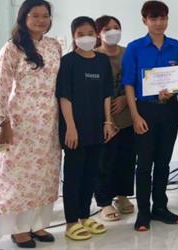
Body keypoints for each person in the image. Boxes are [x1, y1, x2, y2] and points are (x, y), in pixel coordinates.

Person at [0, 0, 62, 248]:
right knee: (19, 175)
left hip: (49, 119)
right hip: (21, 120)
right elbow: (1, 88)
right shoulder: (12, 48)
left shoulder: (54, 45)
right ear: (24, 17)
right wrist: (4, 123)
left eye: (45, 15)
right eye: (35, 15)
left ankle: (38, 224)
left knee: (45, 173)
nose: (41, 20)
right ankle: (18, 229)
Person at [122, 0, 178, 231]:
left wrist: (172, 92)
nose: (159, 23)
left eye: (163, 18)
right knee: (144, 163)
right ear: (145, 21)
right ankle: (143, 212)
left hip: (169, 109)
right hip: (144, 110)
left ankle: (160, 207)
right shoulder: (135, 48)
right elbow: (128, 84)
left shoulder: (176, 47)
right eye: (153, 18)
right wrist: (135, 116)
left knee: (163, 162)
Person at [57, 16, 117, 241]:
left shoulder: (102, 61)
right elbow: (64, 97)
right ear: (74, 36)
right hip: (75, 128)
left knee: (91, 174)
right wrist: (70, 128)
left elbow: (106, 94)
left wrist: (108, 122)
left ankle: (84, 216)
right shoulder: (68, 62)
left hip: (97, 126)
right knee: (74, 176)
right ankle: (71, 222)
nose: (86, 38)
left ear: (97, 34)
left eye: (90, 33)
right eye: (80, 34)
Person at [94, 15, 136, 222]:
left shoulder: (128, 53)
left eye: (116, 27)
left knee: (126, 159)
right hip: (103, 120)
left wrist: (126, 99)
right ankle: (104, 202)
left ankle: (122, 195)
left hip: (127, 116)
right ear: (98, 33)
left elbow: (137, 80)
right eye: (107, 28)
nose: (113, 31)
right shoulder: (93, 55)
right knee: (104, 161)